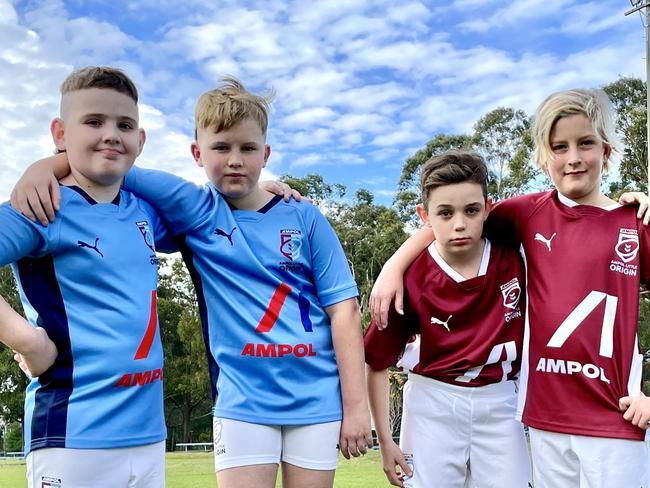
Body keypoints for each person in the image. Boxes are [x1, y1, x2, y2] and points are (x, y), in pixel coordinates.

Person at [14, 77, 372, 488]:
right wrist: (45, 166)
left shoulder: (304, 216)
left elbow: (344, 309)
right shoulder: (193, 212)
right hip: (242, 404)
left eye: (248, 148)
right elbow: (108, 164)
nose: (235, 159)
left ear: (266, 153)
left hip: (318, 402)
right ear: (197, 153)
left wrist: (356, 407)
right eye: (222, 148)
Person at [369, 88, 650, 487]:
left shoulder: (635, 222)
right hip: (546, 419)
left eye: (585, 143)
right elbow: (449, 219)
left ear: (606, 150)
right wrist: (393, 266)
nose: (572, 158)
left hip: (616, 414)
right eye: (559, 147)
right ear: (543, 156)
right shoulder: (526, 213)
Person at [0, 66, 175, 488]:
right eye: (94, 122)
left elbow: (226, 213)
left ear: (141, 140)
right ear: (60, 132)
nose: (111, 134)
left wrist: (276, 192)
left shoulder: (145, 211)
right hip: (72, 434)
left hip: (148, 438)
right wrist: (26, 339)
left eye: (125, 125)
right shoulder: (42, 206)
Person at [365, 151, 531, 488]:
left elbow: (571, 211)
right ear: (425, 216)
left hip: (501, 401)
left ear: (488, 207)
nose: (459, 224)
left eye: (471, 210)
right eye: (445, 213)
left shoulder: (517, 253)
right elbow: (376, 363)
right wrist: (384, 440)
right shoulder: (410, 279)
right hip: (432, 403)